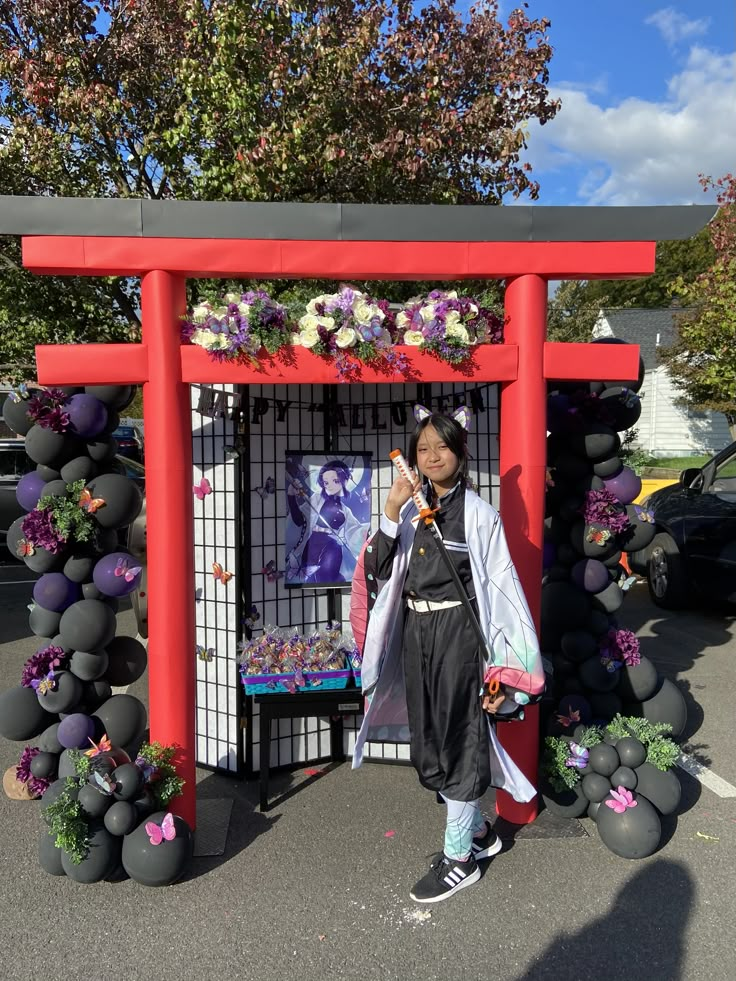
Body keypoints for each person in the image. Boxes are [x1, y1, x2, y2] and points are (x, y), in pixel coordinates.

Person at [350, 406, 544, 904]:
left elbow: (502, 591)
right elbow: (375, 569)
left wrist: (504, 665)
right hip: (417, 633)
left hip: (459, 637)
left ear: (461, 452)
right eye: (422, 448)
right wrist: (391, 512)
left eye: (442, 446)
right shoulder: (409, 507)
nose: (432, 456)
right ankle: (481, 831)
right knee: (430, 738)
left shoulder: (479, 514)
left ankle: (460, 858)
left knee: (459, 738)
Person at [286, 459, 366, 584]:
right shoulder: (316, 500)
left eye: (336, 481)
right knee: (309, 576)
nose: (331, 486)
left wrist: (365, 533)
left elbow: (354, 532)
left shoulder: (346, 511)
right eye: (326, 482)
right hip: (313, 544)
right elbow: (298, 520)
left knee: (328, 574)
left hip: (332, 546)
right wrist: (291, 496)